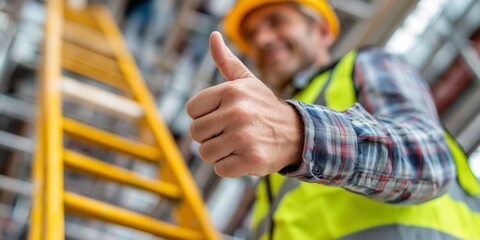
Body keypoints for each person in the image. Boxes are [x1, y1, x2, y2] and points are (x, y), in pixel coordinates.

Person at [186, 1, 480, 239]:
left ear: (322, 30)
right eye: (252, 35)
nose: (262, 39)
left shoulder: (365, 64)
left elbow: (428, 161)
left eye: (276, 21)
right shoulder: (268, 177)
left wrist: (299, 136)